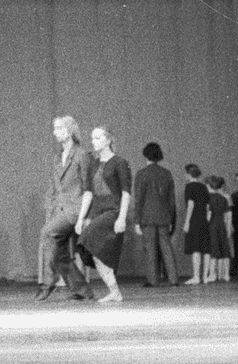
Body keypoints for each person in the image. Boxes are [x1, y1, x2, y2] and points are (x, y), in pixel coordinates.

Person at [37, 116, 94, 301]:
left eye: (58, 128)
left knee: (46, 234)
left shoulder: (81, 155)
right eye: (54, 128)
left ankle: (47, 283)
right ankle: (82, 290)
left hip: (74, 210)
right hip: (59, 210)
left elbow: (88, 190)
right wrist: (50, 210)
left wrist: (82, 218)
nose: (55, 132)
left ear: (69, 130)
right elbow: (54, 188)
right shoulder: (57, 157)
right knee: (58, 252)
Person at [76, 127, 132, 303]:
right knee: (95, 252)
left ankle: (114, 291)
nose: (93, 141)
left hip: (113, 211)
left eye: (98, 137)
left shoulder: (119, 162)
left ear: (108, 140)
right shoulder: (92, 164)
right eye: (92, 138)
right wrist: (80, 218)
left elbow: (125, 193)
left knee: (89, 238)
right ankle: (114, 291)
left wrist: (122, 217)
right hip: (97, 210)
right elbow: (88, 193)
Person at [133, 142, 179, 286]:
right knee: (166, 248)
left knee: (150, 249)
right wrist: (171, 219)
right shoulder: (167, 173)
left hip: (147, 217)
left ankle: (153, 280)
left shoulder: (141, 174)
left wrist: (136, 220)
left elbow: (139, 199)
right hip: (164, 216)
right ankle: (174, 279)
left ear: (145, 154)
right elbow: (171, 199)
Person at [182, 163, 212, 284]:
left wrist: (187, 222)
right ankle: (204, 277)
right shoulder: (204, 187)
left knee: (195, 248)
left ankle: (196, 276)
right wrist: (207, 219)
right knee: (205, 249)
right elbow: (208, 207)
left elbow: (190, 205)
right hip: (204, 219)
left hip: (194, 219)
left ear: (189, 175)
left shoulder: (189, 186)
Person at [207, 175, 232, 282]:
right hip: (222, 224)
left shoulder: (208, 198)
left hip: (212, 225)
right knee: (225, 250)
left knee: (213, 250)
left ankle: (213, 274)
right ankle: (226, 274)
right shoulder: (224, 199)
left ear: (208, 186)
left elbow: (208, 214)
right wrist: (229, 228)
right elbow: (228, 215)